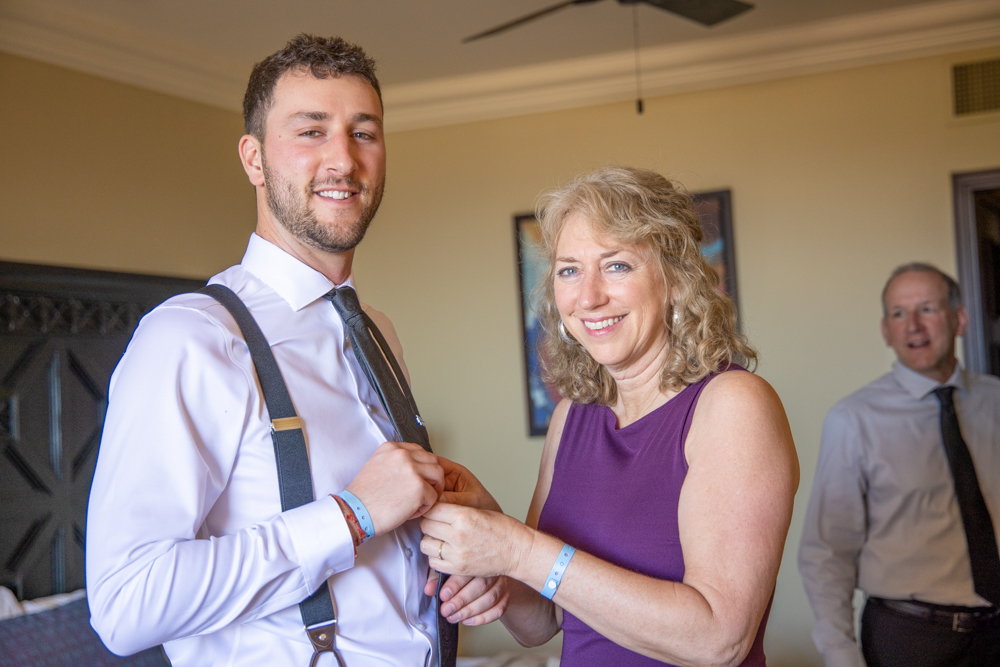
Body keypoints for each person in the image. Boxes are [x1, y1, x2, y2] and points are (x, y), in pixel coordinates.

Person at [86, 34, 504, 667]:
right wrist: (351, 516)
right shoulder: (192, 338)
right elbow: (126, 604)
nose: (344, 159)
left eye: (363, 133)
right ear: (254, 159)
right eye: (311, 132)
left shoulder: (377, 330)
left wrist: (460, 568)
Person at [418, 166, 799, 666]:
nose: (588, 297)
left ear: (676, 280)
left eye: (616, 266)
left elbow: (718, 640)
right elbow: (540, 622)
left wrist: (519, 549)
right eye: (569, 270)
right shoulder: (571, 418)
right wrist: (490, 530)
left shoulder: (732, 404)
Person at [798, 263, 1000, 667]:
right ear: (885, 331)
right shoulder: (853, 419)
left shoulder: (995, 400)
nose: (913, 325)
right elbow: (827, 551)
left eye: (927, 309)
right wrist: (841, 654)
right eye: (898, 313)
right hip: (908, 639)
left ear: (959, 319)